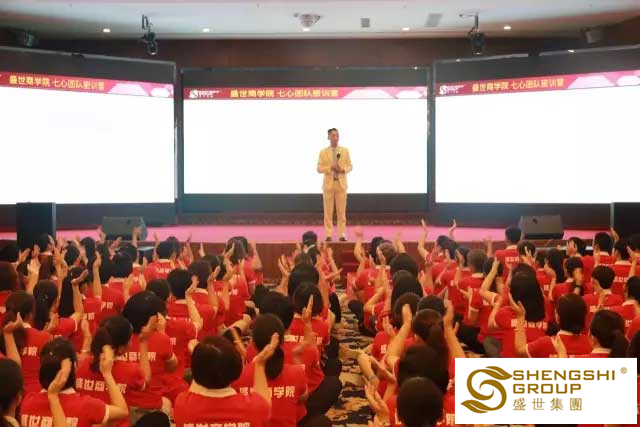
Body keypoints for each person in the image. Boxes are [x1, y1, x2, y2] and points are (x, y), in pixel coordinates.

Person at [20, 337, 129, 427]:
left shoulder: (27, 402)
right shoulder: (87, 406)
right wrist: (107, 373)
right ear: (75, 367)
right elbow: (122, 411)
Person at [173, 334, 277, 427]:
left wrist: (200, 357)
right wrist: (259, 365)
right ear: (236, 367)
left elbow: (199, 377)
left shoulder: (182, 406)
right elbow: (265, 402)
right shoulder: (255, 408)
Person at [233, 314, 307, 427]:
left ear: (253, 343)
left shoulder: (237, 376)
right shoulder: (297, 372)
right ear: (282, 340)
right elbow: (302, 399)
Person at [317, 128, 352, 242]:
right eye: (333, 135)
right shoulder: (323, 152)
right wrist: (329, 168)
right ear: (328, 137)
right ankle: (328, 234)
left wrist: (343, 169)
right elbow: (319, 168)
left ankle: (342, 234)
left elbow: (350, 166)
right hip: (328, 185)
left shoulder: (345, 151)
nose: (335, 138)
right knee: (328, 212)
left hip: (341, 185)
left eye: (337, 135)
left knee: (341, 212)